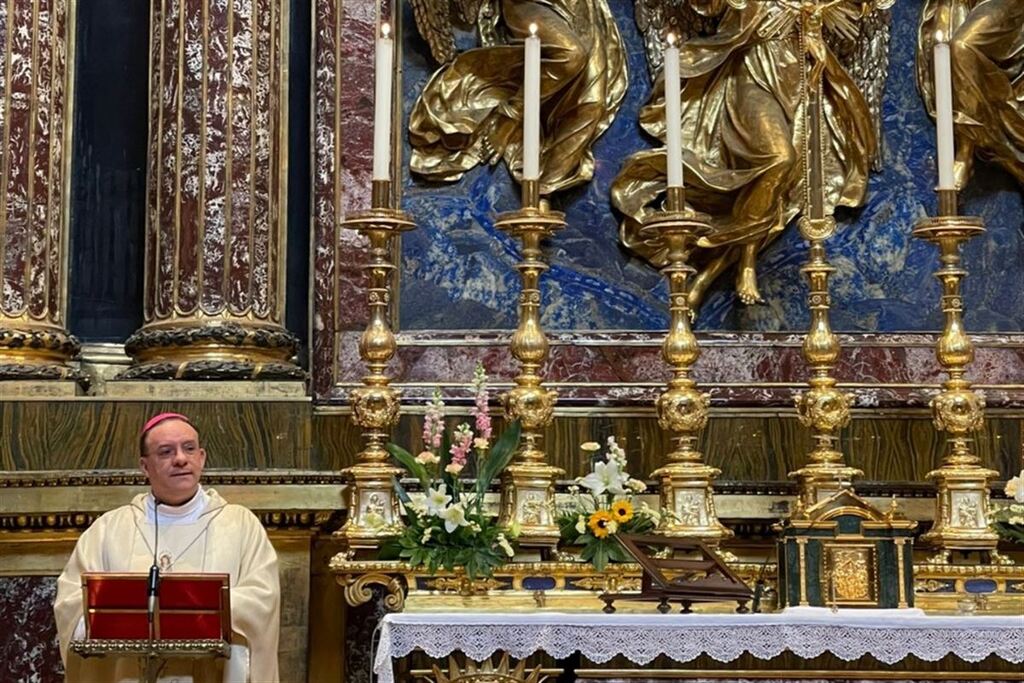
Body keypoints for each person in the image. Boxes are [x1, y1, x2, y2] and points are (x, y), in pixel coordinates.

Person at [53, 413, 280, 683]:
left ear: (202, 458)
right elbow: (70, 603)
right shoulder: (109, 529)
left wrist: (192, 605)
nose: (181, 459)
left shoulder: (240, 525)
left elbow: (262, 599)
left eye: (189, 448)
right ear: (145, 466)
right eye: (165, 452)